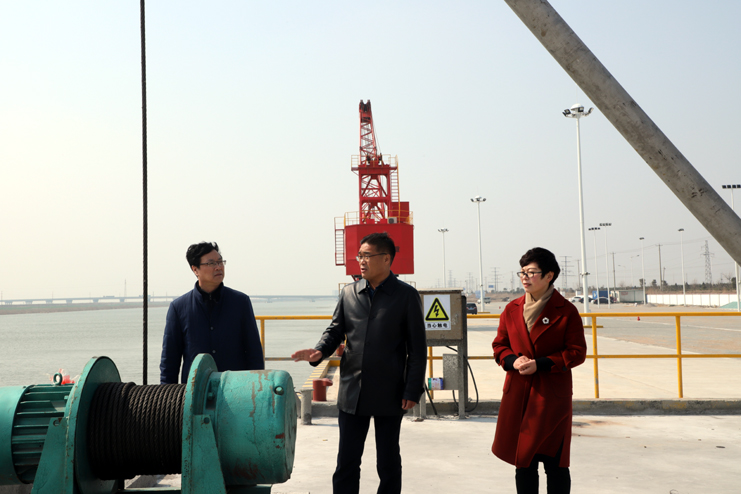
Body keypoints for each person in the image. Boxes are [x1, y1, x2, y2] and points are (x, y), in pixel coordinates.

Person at [291, 232, 426, 494]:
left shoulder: (406, 295)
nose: (361, 261)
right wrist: (319, 351)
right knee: (347, 460)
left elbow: (417, 349)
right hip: (353, 389)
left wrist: (412, 390)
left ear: (386, 259)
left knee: (388, 460)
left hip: (391, 390)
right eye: (359, 255)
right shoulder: (349, 293)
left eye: (367, 255)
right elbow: (334, 331)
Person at [491, 247, 587, 494]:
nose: (525, 277)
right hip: (519, 394)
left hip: (550, 397)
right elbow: (500, 345)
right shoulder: (511, 309)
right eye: (522, 272)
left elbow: (577, 352)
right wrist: (513, 361)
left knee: (556, 465)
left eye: (531, 272)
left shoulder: (566, 311)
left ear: (549, 276)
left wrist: (541, 363)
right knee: (523, 463)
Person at [159, 241, 264, 384]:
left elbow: (254, 353)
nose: (218, 267)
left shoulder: (241, 302)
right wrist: (166, 394)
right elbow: (170, 360)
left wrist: (256, 388)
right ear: (195, 269)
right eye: (211, 263)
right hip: (195, 391)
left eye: (220, 262)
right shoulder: (178, 308)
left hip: (236, 389)